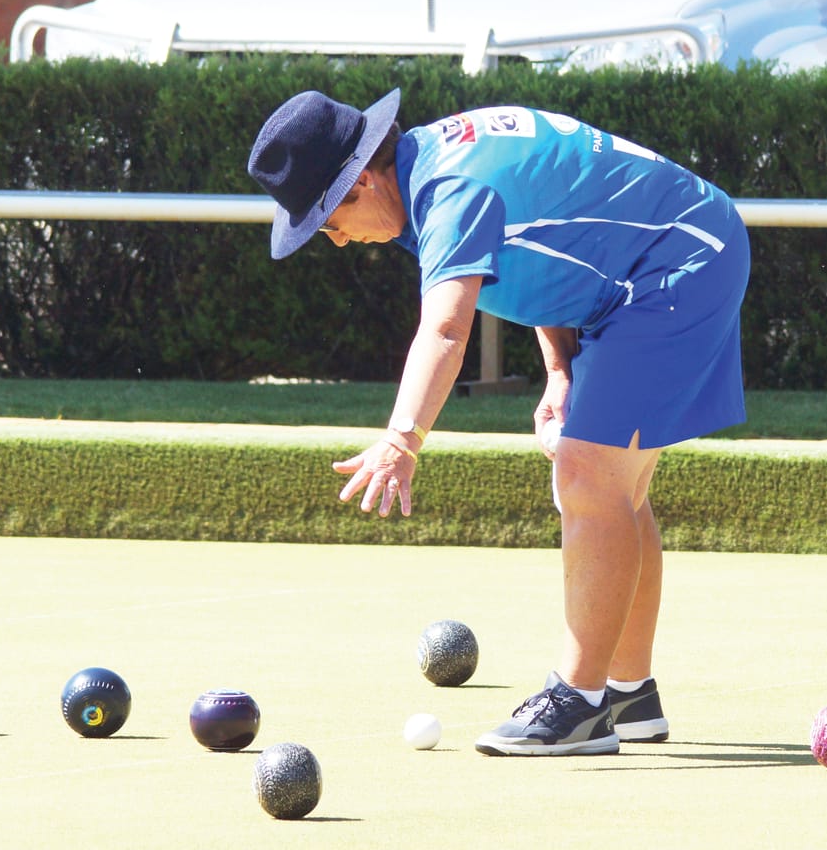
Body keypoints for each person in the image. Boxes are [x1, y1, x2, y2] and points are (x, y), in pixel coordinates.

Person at [247, 89, 750, 753]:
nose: (335, 239)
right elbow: (541, 244)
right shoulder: (433, 164)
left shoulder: (450, 192)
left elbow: (448, 327)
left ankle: (579, 701)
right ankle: (628, 694)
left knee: (587, 475)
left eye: (328, 219)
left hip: (675, 267)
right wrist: (560, 369)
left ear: (362, 179)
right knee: (616, 486)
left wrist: (403, 438)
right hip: (667, 258)